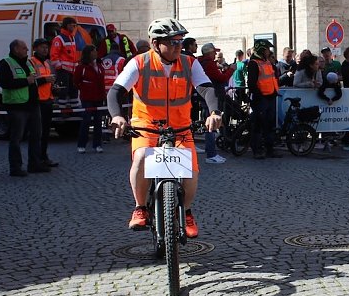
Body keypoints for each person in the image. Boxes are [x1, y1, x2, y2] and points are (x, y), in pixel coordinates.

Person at [107, 17, 223, 238]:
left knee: (191, 172)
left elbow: (207, 89)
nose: (178, 47)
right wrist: (118, 117)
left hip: (180, 127)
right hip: (146, 126)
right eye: (172, 42)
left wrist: (214, 112)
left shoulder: (189, 63)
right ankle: (140, 207)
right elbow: (115, 91)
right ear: (155, 44)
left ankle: (186, 212)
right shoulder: (139, 63)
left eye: (180, 42)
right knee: (141, 157)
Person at [0, 39, 46, 176]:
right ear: (16, 49)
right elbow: (5, 83)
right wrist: (26, 81)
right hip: (16, 106)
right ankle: (15, 167)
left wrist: (41, 80)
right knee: (16, 138)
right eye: (24, 48)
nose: (27, 50)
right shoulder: (6, 63)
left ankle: (34, 164)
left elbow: (34, 80)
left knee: (36, 135)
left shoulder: (28, 63)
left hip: (33, 104)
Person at [197, 42, 233, 164]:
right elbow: (221, 78)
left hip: (205, 96)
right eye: (214, 52)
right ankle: (211, 154)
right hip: (213, 96)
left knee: (210, 124)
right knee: (211, 124)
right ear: (210, 53)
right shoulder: (209, 64)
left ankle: (210, 151)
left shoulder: (201, 62)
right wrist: (231, 70)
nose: (215, 55)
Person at [247, 39, 282, 159]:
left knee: (269, 125)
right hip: (261, 99)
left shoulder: (266, 61)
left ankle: (270, 150)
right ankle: (257, 150)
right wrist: (259, 96)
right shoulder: (253, 63)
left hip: (270, 97)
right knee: (258, 125)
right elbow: (252, 84)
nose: (269, 51)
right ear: (262, 50)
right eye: (267, 49)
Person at [28, 38, 58, 167]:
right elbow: (31, 81)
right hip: (37, 101)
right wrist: (46, 80)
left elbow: (47, 82)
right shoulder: (31, 62)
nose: (45, 49)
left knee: (45, 132)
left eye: (47, 47)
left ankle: (44, 156)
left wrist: (54, 88)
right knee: (37, 133)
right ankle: (36, 159)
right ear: (35, 48)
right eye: (42, 47)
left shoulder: (46, 63)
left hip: (47, 100)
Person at [74, 44, 106, 153]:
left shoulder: (99, 65)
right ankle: (81, 144)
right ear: (89, 53)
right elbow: (76, 81)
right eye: (94, 51)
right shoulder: (81, 67)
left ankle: (97, 145)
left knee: (98, 122)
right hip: (87, 98)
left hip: (99, 97)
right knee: (86, 121)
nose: (96, 53)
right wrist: (85, 89)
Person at [49, 16, 80, 105]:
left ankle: (74, 108)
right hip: (63, 71)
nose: (74, 27)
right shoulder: (59, 39)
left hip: (72, 71)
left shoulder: (72, 38)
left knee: (73, 91)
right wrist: (60, 67)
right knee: (63, 92)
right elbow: (54, 55)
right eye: (73, 25)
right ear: (67, 25)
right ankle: (62, 109)